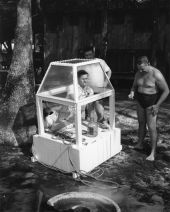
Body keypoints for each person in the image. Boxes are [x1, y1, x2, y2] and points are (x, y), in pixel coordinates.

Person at [128, 56, 169, 161]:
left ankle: (153, 152)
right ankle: (140, 144)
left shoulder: (156, 74)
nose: (141, 70)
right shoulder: (138, 73)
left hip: (152, 102)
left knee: (151, 127)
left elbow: (166, 91)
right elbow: (134, 87)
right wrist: (132, 92)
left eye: (142, 68)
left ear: (148, 64)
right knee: (141, 123)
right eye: (139, 68)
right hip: (140, 101)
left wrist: (157, 105)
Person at [84, 46, 112, 123]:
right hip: (88, 90)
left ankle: (103, 123)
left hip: (99, 89)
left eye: (90, 54)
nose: (88, 57)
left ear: (93, 54)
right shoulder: (83, 63)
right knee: (90, 112)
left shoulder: (100, 61)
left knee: (100, 110)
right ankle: (93, 128)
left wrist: (106, 82)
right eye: (86, 55)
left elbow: (109, 71)